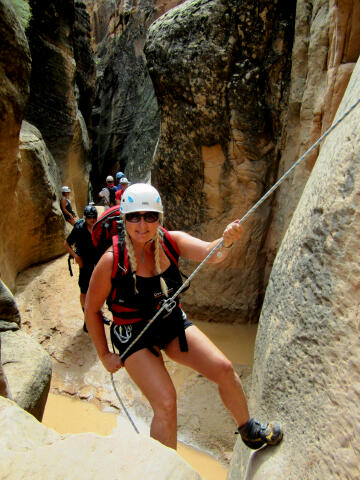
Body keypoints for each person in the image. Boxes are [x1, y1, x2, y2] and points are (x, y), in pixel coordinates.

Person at [85, 184, 283, 450]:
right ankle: (164, 470)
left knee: (224, 369)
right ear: (125, 219)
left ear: (159, 217)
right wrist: (104, 354)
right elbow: (91, 310)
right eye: (134, 216)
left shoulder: (170, 241)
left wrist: (226, 240)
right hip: (133, 336)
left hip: (170, 323)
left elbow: (211, 254)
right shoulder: (112, 260)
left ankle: (249, 430)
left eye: (149, 216)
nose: (142, 224)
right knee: (166, 401)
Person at [65, 205, 109, 332]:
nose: (93, 220)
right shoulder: (79, 228)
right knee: (84, 290)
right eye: (90, 218)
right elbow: (66, 244)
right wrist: (76, 256)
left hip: (98, 262)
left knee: (99, 289)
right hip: (85, 263)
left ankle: (98, 314)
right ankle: (87, 318)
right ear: (85, 218)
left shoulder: (100, 227)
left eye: (94, 217)